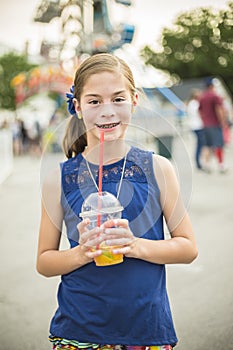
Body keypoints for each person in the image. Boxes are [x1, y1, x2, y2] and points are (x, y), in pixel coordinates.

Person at [37, 53, 198, 350]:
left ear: (135, 101)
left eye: (118, 99)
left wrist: (135, 245)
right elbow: (45, 261)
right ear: (78, 106)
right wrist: (82, 253)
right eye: (94, 101)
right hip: (79, 330)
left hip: (147, 329)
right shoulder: (58, 178)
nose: (107, 111)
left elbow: (188, 248)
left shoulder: (159, 169)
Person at [198, 78, 228, 173]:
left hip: (206, 125)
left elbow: (200, 111)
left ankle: (206, 165)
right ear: (212, 86)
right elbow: (219, 109)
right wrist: (223, 122)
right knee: (218, 145)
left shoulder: (202, 97)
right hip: (215, 124)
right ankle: (221, 166)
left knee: (207, 145)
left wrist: (204, 120)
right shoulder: (215, 96)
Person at [186, 89, 206, 170]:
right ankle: (198, 162)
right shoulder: (195, 104)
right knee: (200, 145)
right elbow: (201, 113)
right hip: (198, 126)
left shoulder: (190, 104)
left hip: (194, 126)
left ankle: (198, 162)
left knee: (199, 145)